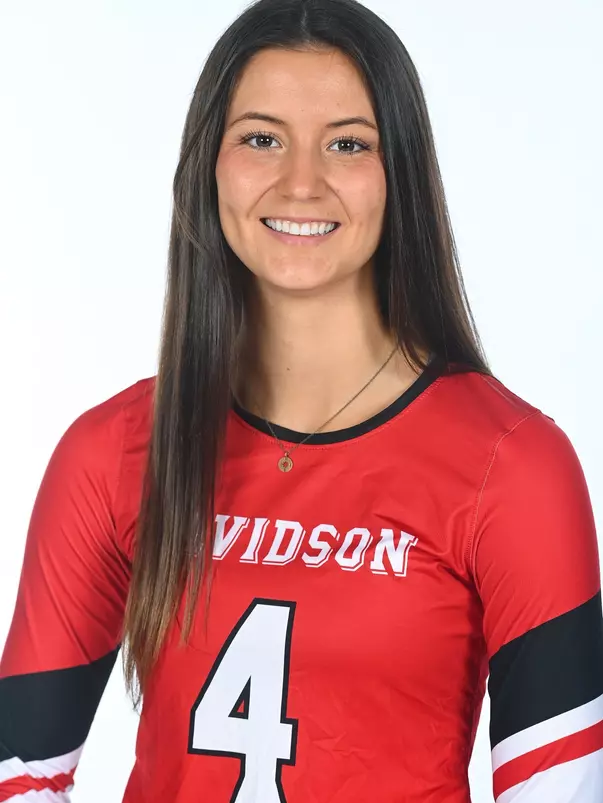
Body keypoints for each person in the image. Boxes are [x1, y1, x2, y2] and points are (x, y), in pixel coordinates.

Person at [1, 0, 602, 800]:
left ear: (401, 175)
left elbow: (561, 790)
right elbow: (19, 775)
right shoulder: (112, 451)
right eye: (260, 138)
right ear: (207, 164)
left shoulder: (512, 463)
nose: (300, 181)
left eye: (347, 144)